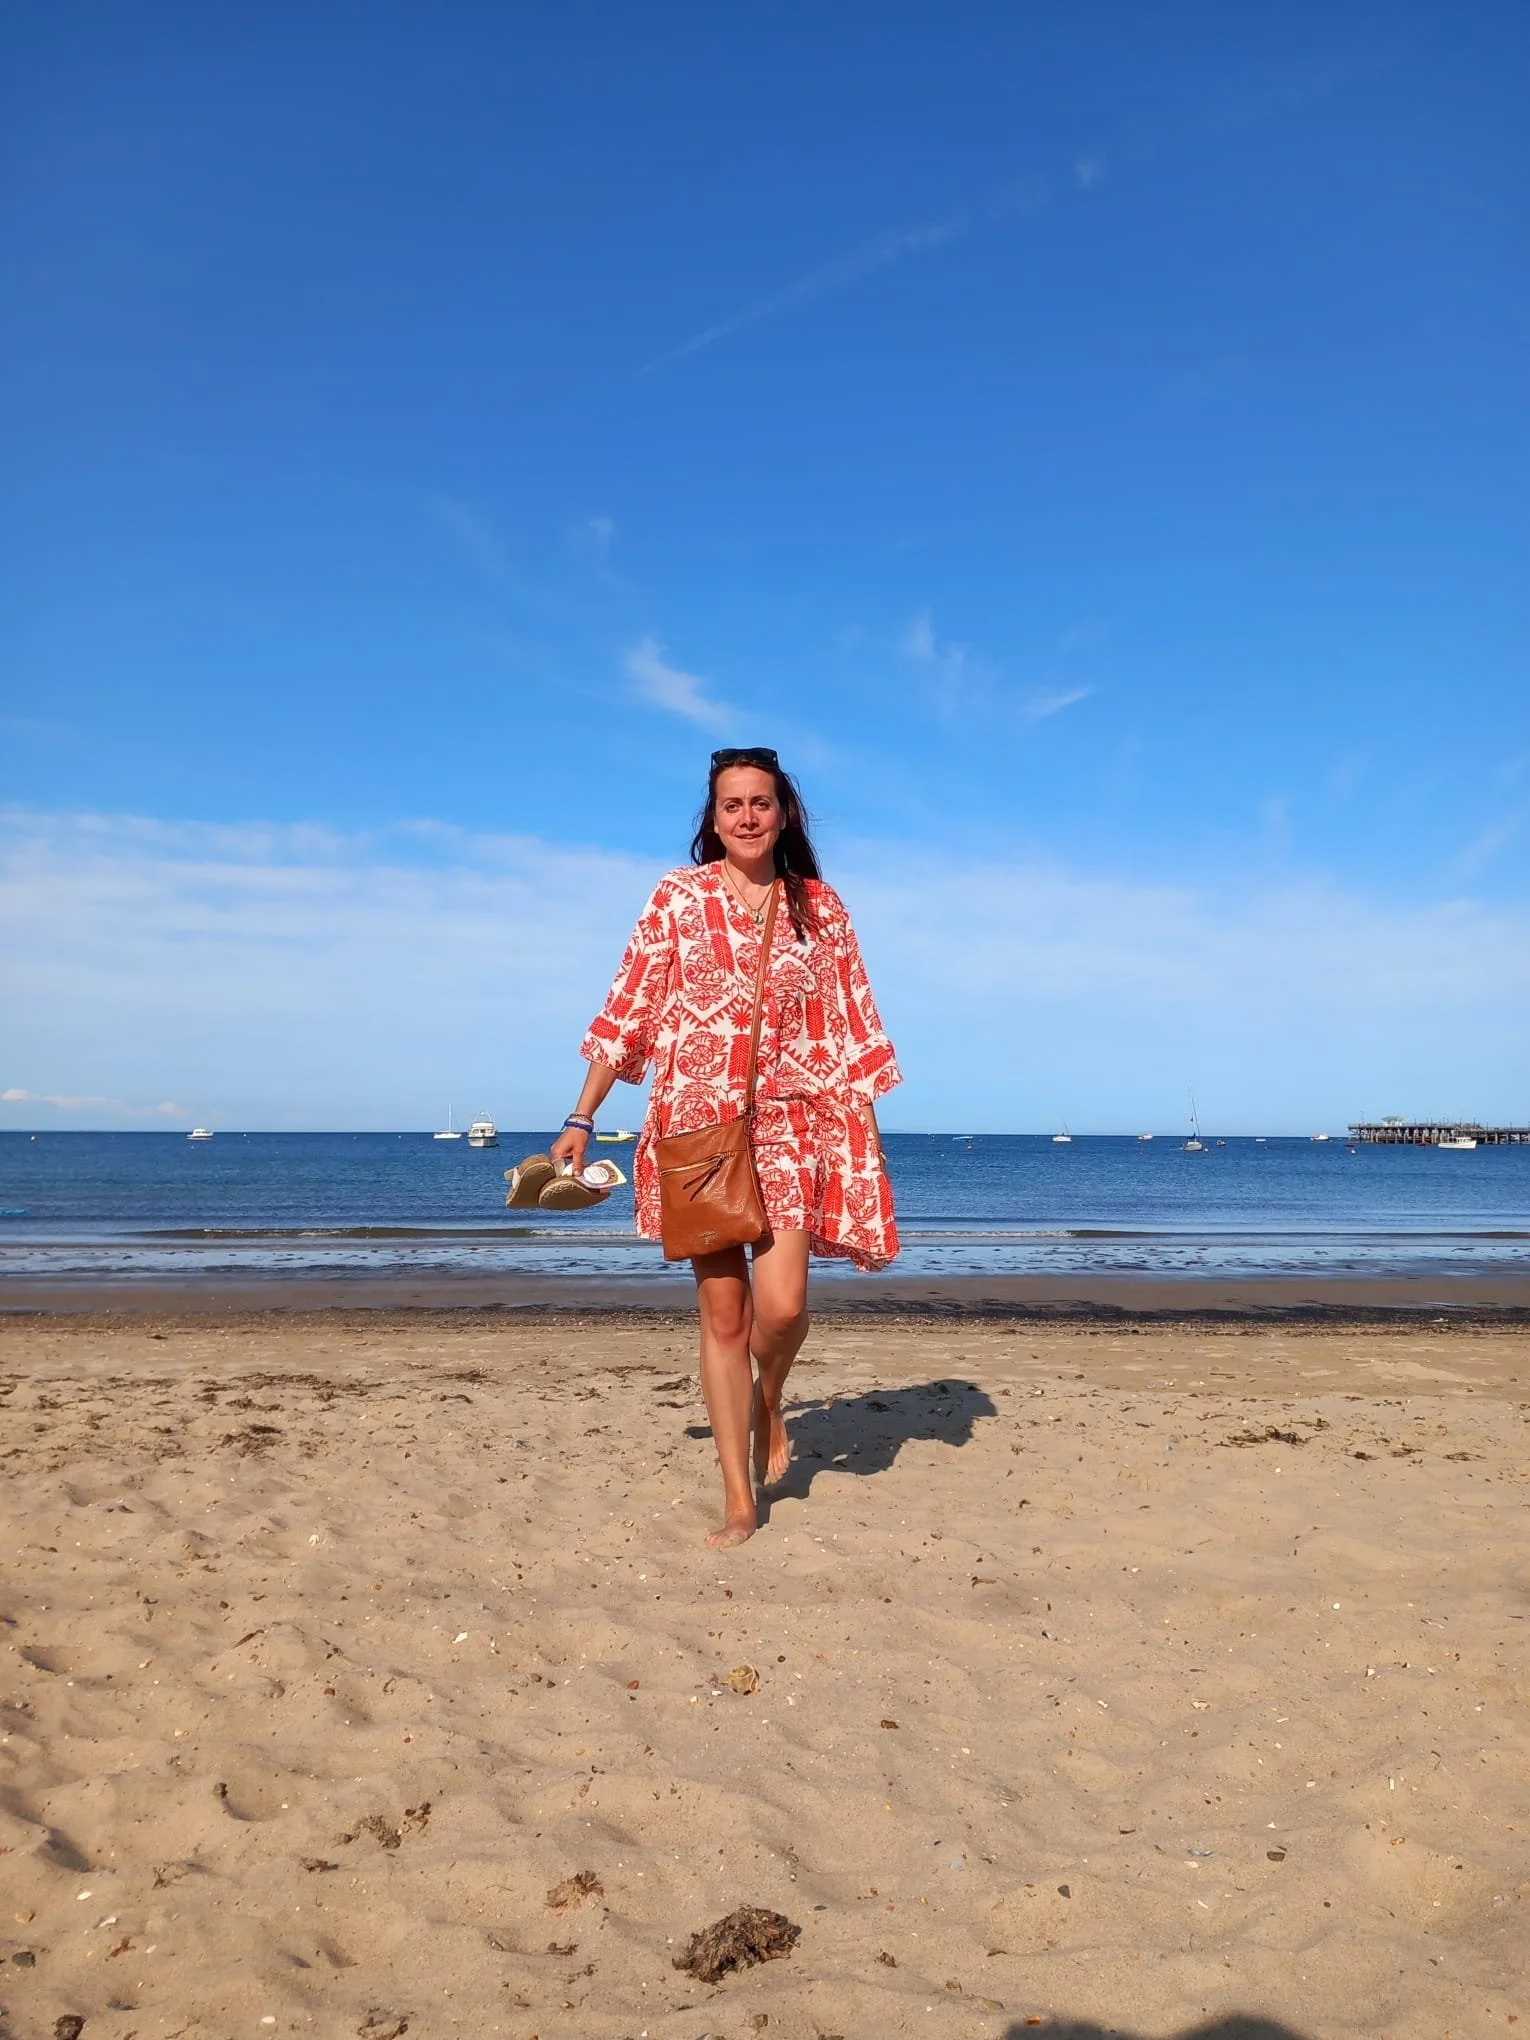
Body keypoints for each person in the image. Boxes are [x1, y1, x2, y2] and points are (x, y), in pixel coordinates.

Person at [550, 747, 902, 1547]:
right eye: (732, 804)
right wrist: (580, 1116)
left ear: (784, 814)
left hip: (792, 1124)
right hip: (695, 1128)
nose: (747, 816)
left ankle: (768, 1401)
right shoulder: (677, 898)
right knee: (724, 1312)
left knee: (783, 1309)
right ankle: (740, 1497)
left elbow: (853, 1024)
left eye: (761, 803)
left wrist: (863, 1145)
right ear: (713, 819)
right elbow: (627, 1006)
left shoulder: (821, 907)